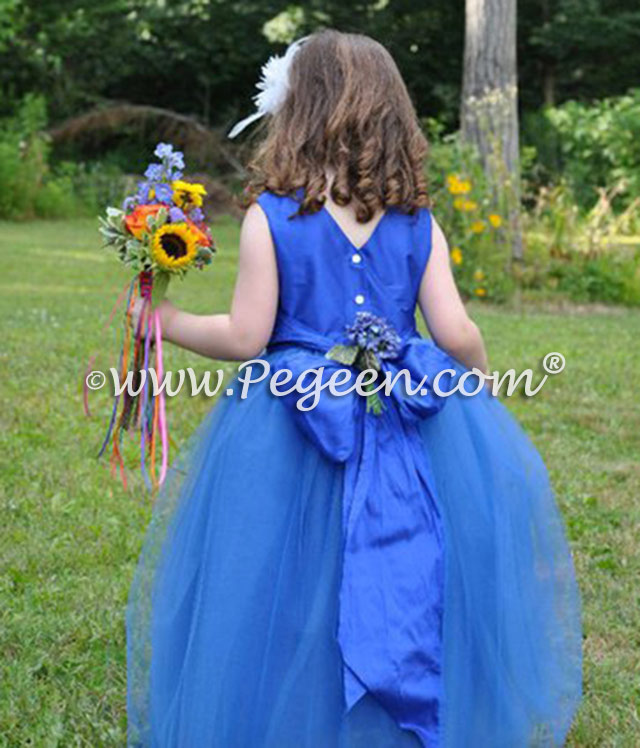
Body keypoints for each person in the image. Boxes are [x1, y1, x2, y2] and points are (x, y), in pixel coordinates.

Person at [126, 29, 582, 747]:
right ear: (392, 115)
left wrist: (166, 319)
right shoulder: (417, 221)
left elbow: (247, 337)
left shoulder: (270, 218)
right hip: (406, 408)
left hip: (293, 420)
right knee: (414, 564)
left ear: (297, 113)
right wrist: (481, 387)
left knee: (292, 576)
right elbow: (455, 330)